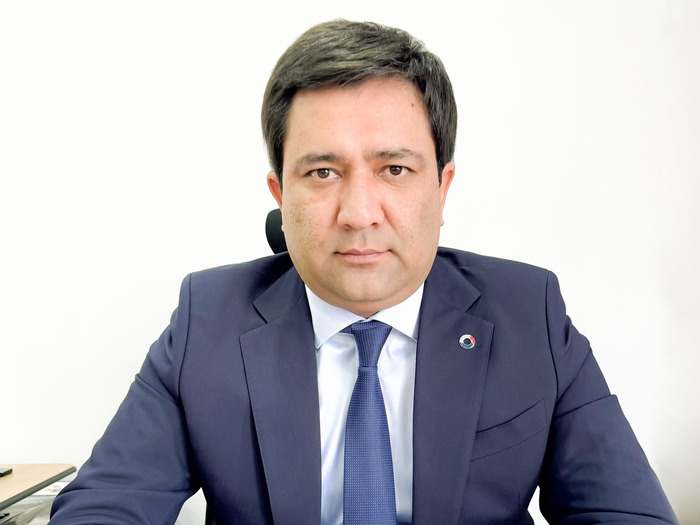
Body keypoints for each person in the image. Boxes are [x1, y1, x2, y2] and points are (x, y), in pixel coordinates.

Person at [49, 19, 676, 525]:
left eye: (394, 169)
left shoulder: (529, 313)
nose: (358, 213)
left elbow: (627, 512)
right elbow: (102, 507)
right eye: (322, 172)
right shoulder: (207, 320)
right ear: (280, 194)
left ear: (441, 188)